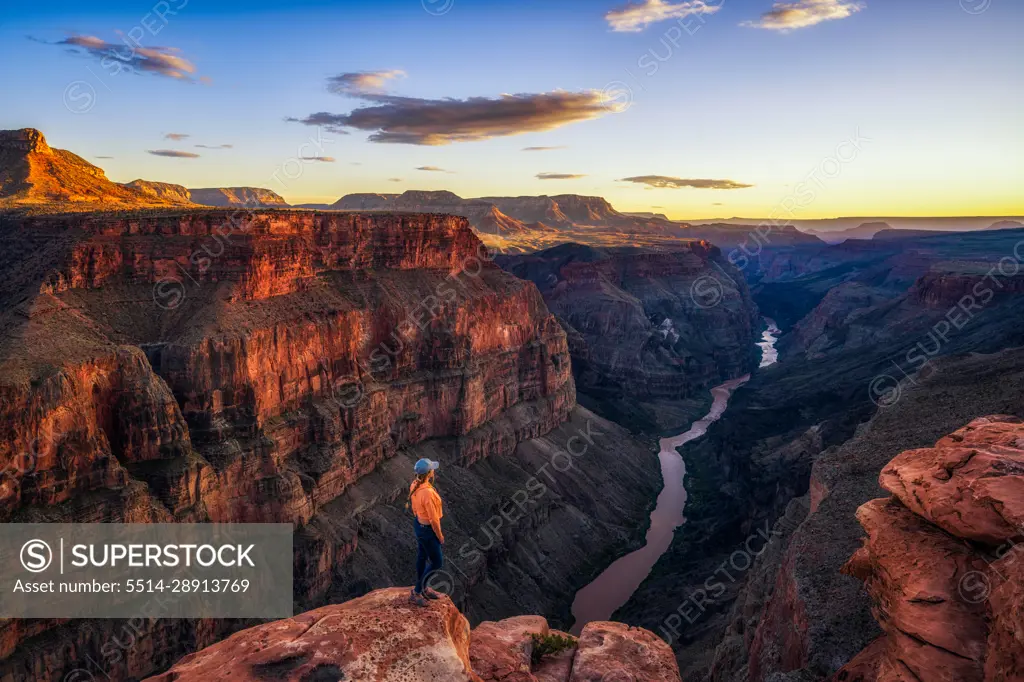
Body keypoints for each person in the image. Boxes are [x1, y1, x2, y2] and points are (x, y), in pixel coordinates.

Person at [408, 457, 445, 606]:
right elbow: (434, 520)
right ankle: (417, 592)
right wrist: (440, 536)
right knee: (437, 562)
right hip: (428, 530)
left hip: (419, 525)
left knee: (422, 556)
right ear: (429, 473)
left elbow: (414, 509)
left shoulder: (415, 484)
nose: (434, 471)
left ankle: (423, 587)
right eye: (432, 469)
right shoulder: (428, 493)